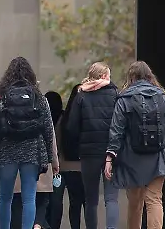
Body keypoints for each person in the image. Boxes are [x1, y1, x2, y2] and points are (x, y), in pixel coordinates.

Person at [0, 57, 58, 229]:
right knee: (29, 198)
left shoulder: (0, 96)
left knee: (5, 198)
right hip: (32, 152)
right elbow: (48, 129)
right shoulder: (37, 96)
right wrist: (51, 160)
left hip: (5, 153)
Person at [104, 61, 165, 229]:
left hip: (131, 158)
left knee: (135, 201)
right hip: (158, 156)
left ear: (131, 77)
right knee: (154, 199)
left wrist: (110, 157)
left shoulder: (125, 98)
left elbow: (116, 130)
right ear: (149, 76)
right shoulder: (162, 97)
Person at [64, 62, 120, 229]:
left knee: (91, 199)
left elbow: (71, 127)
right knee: (111, 198)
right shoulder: (115, 95)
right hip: (111, 152)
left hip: (88, 154)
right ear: (103, 76)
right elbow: (121, 124)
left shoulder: (81, 96)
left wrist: (80, 142)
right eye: (108, 75)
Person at [57, 85, 84, 229]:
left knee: (74, 203)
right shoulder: (87, 116)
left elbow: (58, 141)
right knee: (87, 202)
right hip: (85, 166)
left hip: (67, 166)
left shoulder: (64, 117)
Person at [44, 91, 65, 229]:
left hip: (44, 165)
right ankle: (54, 225)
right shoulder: (64, 118)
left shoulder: (42, 117)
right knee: (57, 200)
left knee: (44, 199)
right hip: (61, 165)